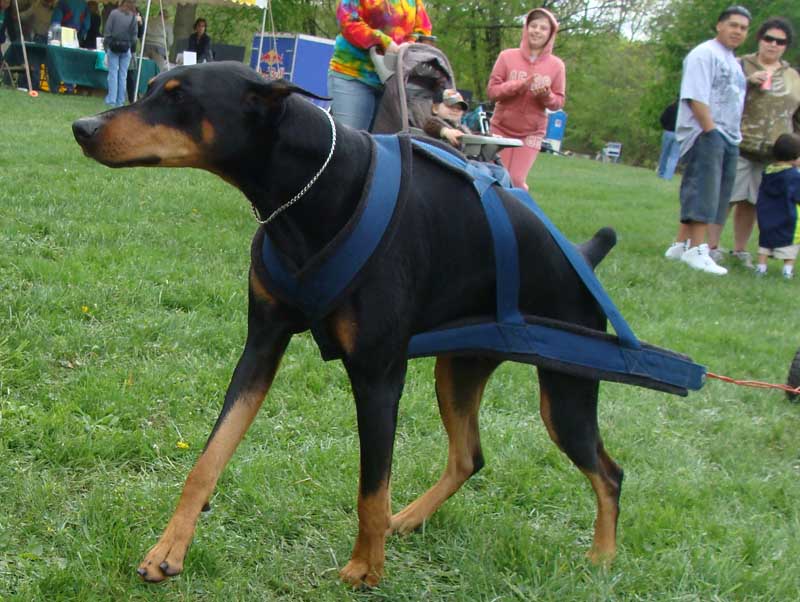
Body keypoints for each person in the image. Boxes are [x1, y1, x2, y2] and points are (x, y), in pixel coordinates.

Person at [663, 5, 750, 275]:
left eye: (744, 28)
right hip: (707, 132)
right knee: (703, 190)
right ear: (719, 25)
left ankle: (680, 244)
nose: (738, 31)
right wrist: (709, 129)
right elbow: (694, 95)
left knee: (718, 195)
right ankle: (697, 249)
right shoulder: (704, 54)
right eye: (733, 25)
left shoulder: (733, 62)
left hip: (729, 135)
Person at [707, 17, 800, 269]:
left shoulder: (793, 76)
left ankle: (739, 250)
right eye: (768, 38)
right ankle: (711, 247)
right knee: (726, 197)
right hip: (738, 143)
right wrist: (747, 83)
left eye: (780, 41)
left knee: (753, 203)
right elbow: (719, 97)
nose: (773, 45)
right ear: (759, 39)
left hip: (774, 153)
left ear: (786, 46)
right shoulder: (739, 65)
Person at [486, 7, 565, 191]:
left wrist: (545, 95)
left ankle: (519, 215)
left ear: (550, 34)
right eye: (533, 26)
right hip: (501, 127)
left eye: (543, 28)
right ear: (526, 28)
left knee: (516, 179)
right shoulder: (507, 56)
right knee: (495, 176)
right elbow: (492, 92)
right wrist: (519, 85)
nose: (537, 31)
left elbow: (558, 102)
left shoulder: (557, 66)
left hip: (532, 133)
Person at [327, 0, 432, 131]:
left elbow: (424, 30)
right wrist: (384, 42)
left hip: (393, 82)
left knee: (384, 145)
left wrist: (410, 44)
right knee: (351, 140)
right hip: (353, 75)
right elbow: (348, 21)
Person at [754, 133, 800, 278]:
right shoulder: (793, 176)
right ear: (795, 157)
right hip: (787, 218)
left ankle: (761, 267)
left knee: (765, 243)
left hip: (767, 217)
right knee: (791, 244)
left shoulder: (768, 171)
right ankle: (787, 270)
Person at [102, 0, 137, 107]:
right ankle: (120, 101)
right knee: (123, 75)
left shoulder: (114, 13)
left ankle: (111, 99)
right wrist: (130, 47)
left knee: (113, 74)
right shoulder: (133, 17)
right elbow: (134, 36)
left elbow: (107, 30)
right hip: (126, 48)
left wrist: (106, 45)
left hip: (113, 46)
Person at [657, 99, 680, 180]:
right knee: (674, 156)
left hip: (668, 132)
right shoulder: (685, 111)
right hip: (679, 134)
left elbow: (662, 118)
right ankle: (668, 176)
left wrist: (665, 126)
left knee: (664, 154)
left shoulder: (671, 107)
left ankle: (661, 173)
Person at [143, 8, 172, 72]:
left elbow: (144, 32)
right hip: (159, 47)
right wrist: (168, 49)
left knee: (144, 67)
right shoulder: (167, 23)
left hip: (147, 45)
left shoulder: (150, 20)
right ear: (166, 16)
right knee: (159, 69)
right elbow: (170, 40)